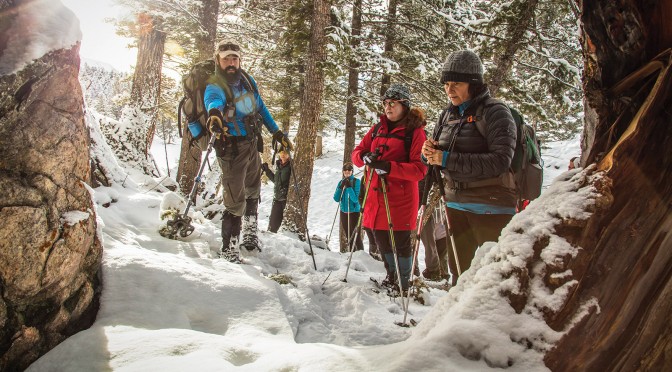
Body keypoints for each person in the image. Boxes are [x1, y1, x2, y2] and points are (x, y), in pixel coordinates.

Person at [422, 49, 517, 281]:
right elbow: (436, 159)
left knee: (493, 279)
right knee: (459, 276)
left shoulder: (496, 112)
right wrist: (429, 154)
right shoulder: (446, 115)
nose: (449, 89)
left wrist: (445, 159)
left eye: (457, 83)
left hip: (492, 207)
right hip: (455, 205)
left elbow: (500, 162)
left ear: (473, 83)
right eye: (446, 83)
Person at [205, 39, 293, 263]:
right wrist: (214, 115)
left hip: (252, 144)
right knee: (235, 200)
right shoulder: (215, 84)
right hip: (231, 149)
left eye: (235, 58)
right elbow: (212, 102)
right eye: (226, 59)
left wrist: (277, 133)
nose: (231, 63)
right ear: (218, 60)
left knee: (253, 189)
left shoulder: (247, 80)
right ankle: (229, 247)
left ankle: (250, 233)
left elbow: (260, 108)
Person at [352, 83, 427, 293]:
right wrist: (364, 157)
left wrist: (389, 167)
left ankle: (403, 282)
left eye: (392, 103)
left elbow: (419, 170)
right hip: (375, 197)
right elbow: (357, 153)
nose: (388, 107)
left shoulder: (415, 132)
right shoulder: (377, 129)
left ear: (404, 105)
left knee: (401, 243)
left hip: (400, 199)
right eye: (385, 103)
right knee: (380, 238)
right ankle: (391, 276)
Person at [333, 162, 363, 253]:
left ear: (352, 171)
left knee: (356, 236)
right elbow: (336, 198)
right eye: (345, 170)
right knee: (348, 235)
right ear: (343, 172)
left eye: (349, 170)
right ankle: (352, 254)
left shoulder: (356, 182)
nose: (347, 172)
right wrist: (340, 188)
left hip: (354, 212)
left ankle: (361, 255)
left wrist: (349, 187)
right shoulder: (341, 182)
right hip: (344, 212)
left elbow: (355, 199)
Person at [261, 150, 291, 233]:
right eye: (281, 153)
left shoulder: (291, 166)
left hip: (286, 199)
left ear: (289, 155)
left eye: (285, 153)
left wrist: (286, 189)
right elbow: (275, 180)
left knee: (287, 225)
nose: (283, 155)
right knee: (272, 225)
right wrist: (267, 170)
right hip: (277, 198)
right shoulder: (279, 165)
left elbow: (292, 182)